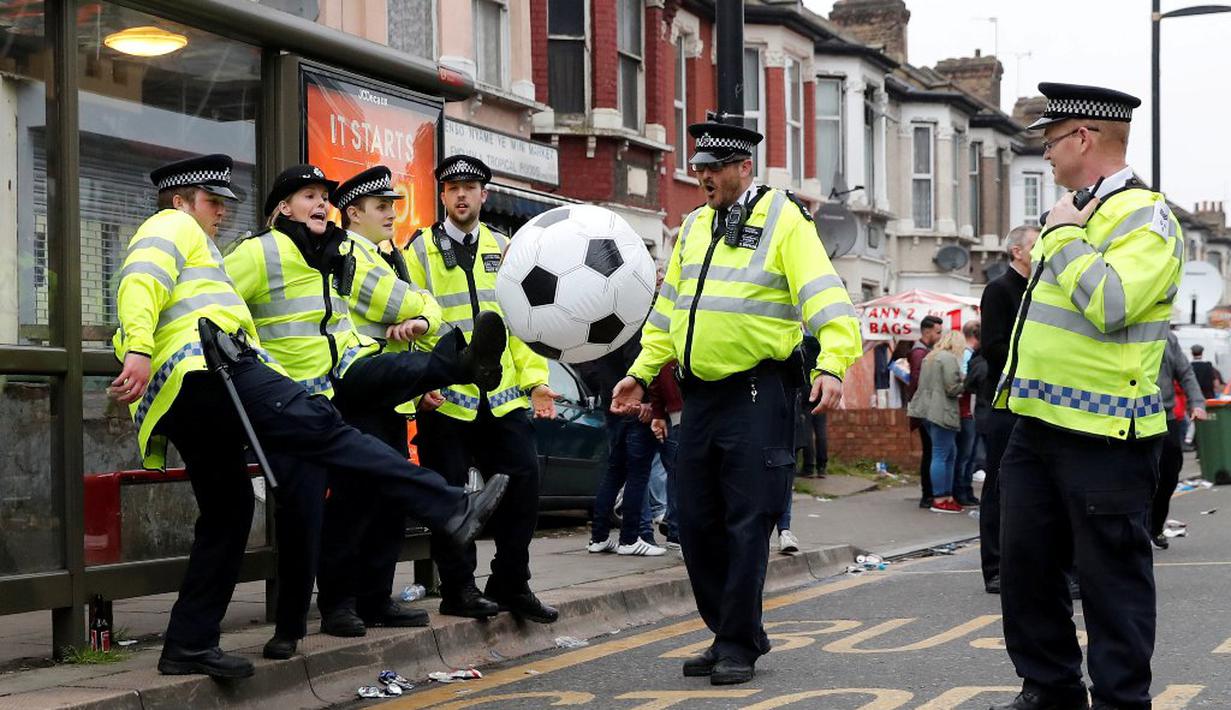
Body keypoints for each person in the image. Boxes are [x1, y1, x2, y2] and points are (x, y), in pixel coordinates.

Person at [112, 155, 506, 679]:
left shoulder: (265, 255)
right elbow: (141, 278)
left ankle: (188, 643)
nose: (222, 213)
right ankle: (450, 506)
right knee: (328, 437)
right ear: (181, 202)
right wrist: (137, 347)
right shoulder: (173, 225)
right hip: (210, 372)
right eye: (212, 202)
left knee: (228, 513)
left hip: (196, 389)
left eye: (226, 204)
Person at [610, 116, 861, 685]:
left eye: (716, 167)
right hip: (700, 398)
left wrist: (834, 363)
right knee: (693, 522)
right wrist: (641, 374)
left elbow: (825, 295)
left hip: (758, 391)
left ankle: (736, 642)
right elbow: (667, 312)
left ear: (744, 167)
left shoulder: (784, 219)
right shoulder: (695, 226)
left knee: (747, 521)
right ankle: (729, 630)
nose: (704, 176)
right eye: (699, 166)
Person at [223, 164, 510, 659]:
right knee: (312, 515)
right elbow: (220, 308)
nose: (319, 204)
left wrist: (405, 348)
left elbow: (338, 325)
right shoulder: (262, 251)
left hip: (334, 387)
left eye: (322, 197)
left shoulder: (328, 254)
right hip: (289, 401)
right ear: (283, 208)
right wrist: (255, 366)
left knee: (378, 489)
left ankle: (458, 366)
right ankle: (298, 624)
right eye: (308, 196)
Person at [992, 83, 1183, 710]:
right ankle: (1049, 690)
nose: (1045, 153)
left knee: (1111, 585)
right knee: (1025, 572)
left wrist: (1065, 238)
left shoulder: (1145, 217)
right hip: (1036, 423)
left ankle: (1123, 702)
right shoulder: (1071, 212)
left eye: (1051, 140)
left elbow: (1113, 303)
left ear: (1083, 138)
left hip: (1106, 433)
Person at [400, 155, 560, 624]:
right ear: (442, 196)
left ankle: (512, 581)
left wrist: (537, 383)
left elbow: (522, 323)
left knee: (523, 489)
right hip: (447, 401)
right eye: (452, 188)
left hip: (503, 398)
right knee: (450, 498)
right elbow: (408, 325)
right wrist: (419, 387)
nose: (462, 195)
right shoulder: (419, 251)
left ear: (484, 195)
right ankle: (458, 589)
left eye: (470, 186)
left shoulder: (506, 248)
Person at [313, 165, 446, 639]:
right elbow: (412, 305)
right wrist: (424, 313)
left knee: (387, 500)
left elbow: (426, 313)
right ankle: (339, 605)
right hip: (359, 393)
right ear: (354, 213)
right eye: (381, 207)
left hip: (389, 395)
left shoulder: (384, 256)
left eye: (393, 206)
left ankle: (374, 598)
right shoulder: (352, 252)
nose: (392, 214)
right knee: (354, 501)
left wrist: (423, 320)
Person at [977, 224, 1038, 594]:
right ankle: (995, 567)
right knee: (998, 487)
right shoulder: (999, 290)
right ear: (1017, 251)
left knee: (1033, 488)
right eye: (1035, 245)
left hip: (1035, 401)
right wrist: (1032, 361)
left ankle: (1030, 563)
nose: (1041, 251)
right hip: (1003, 402)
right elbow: (993, 347)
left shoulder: (1041, 290)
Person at [583, 337, 664, 556]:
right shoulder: (632, 323)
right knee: (638, 473)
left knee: (615, 472)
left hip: (611, 401)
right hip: (634, 405)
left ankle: (598, 537)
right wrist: (648, 400)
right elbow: (637, 362)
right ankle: (630, 538)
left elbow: (589, 363)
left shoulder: (606, 325)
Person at [1153, 332, 1207, 550]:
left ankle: (1155, 526)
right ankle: (1137, 528)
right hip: (1128, 416)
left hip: (1164, 417)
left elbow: (1185, 373)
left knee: (1170, 473)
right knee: (1138, 478)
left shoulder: (1167, 337)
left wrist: (1197, 403)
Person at [907, 331, 966, 514]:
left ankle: (945, 496)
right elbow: (952, 387)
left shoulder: (930, 357)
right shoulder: (948, 358)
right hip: (942, 411)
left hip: (926, 410)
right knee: (942, 454)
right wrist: (966, 382)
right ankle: (940, 498)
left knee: (946, 453)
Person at [906, 315, 944, 508]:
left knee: (931, 452)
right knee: (931, 452)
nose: (940, 336)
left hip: (925, 409)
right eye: (938, 332)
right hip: (926, 410)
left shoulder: (923, 351)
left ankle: (928, 494)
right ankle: (927, 495)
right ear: (927, 331)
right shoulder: (920, 353)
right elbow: (918, 383)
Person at [953, 320, 981, 507]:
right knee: (965, 454)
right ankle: (961, 490)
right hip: (966, 411)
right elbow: (965, 383)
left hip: (970, 411)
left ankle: (966, 490)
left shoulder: (970, 354)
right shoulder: (967, 355)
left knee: (970, 455)